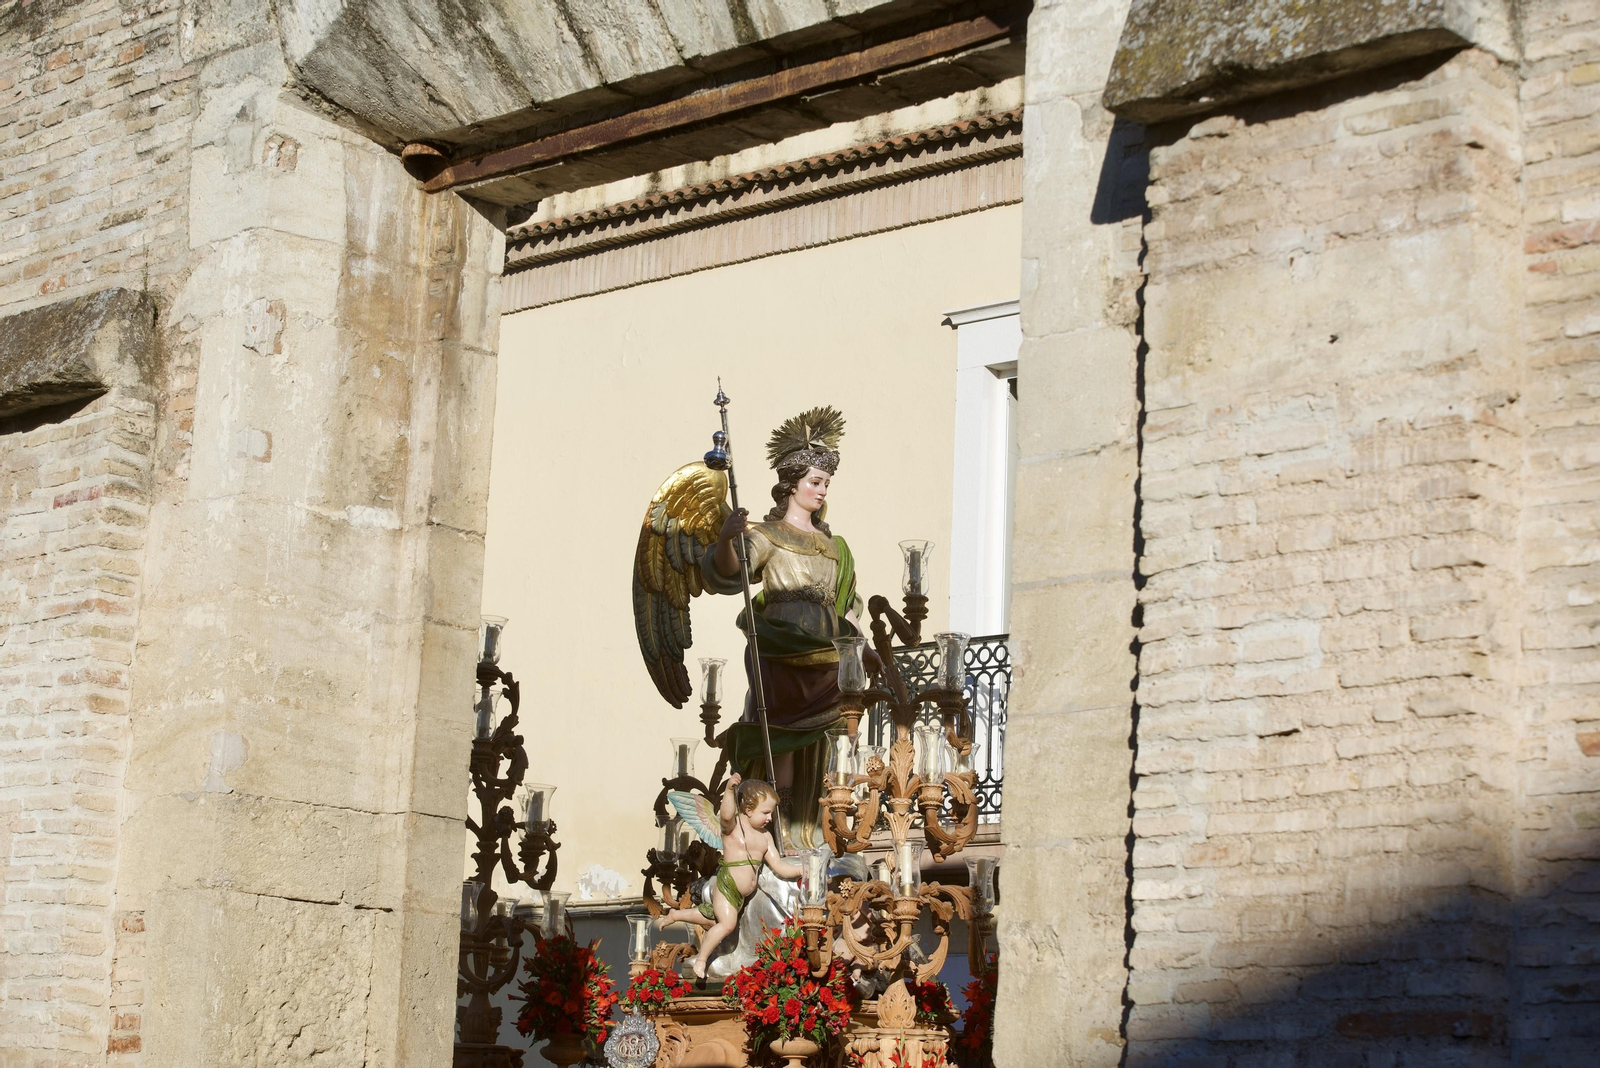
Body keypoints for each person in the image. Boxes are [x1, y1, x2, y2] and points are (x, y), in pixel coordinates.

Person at [701, 407, 878, 848]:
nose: (822, 491)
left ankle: (814, 831)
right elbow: (731, 572)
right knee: (783, 734)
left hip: (825, 651)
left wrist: (865, 649)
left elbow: (847, 608)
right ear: (792, 484)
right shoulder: (768, 534)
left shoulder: (835, 547)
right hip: (781, 648)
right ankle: (777, 832)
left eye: (826, 484)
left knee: (826, 738)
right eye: (815, 482)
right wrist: (726, 538)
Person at [655, 774, 801, 979]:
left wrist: (802, 869)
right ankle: (702, 960)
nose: (770, 818)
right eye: (766, 812)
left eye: (771, 813)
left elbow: (779, 866)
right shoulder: (733, 828)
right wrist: (730, 790)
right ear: (748, 810)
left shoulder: (766, 837)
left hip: (742, 896)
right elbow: (725, 816)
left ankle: (675, 915)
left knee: (711, 917)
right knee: (726, 924)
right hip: (727, 884)